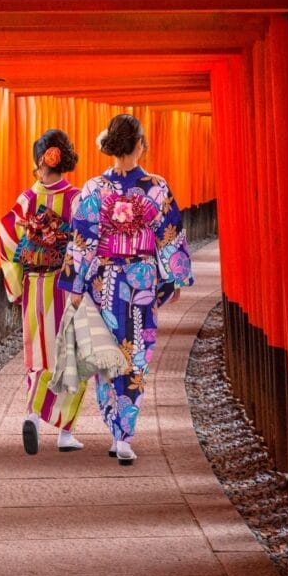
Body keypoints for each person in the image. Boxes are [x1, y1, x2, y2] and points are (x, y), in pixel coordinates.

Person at [58, 114, 193, 465]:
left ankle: (115, 427)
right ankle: (123, 434)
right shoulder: (156, 187)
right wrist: (174, 277)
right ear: (139, 146)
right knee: (135, 357)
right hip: (141, 280)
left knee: (109, 355)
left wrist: (77, 284)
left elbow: (82, 240)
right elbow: (170, 235)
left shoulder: (92, 189)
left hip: (104, 280)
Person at [0, 129, 86, 455]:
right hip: (66, 286)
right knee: (72, 355)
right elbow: (84, 242)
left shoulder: (28, 198)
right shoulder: (76, 198)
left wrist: (16, 284)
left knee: (38, 352)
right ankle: (65, 432)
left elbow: (6, 233)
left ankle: (33, 415)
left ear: (41, 160)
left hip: (35, 284)